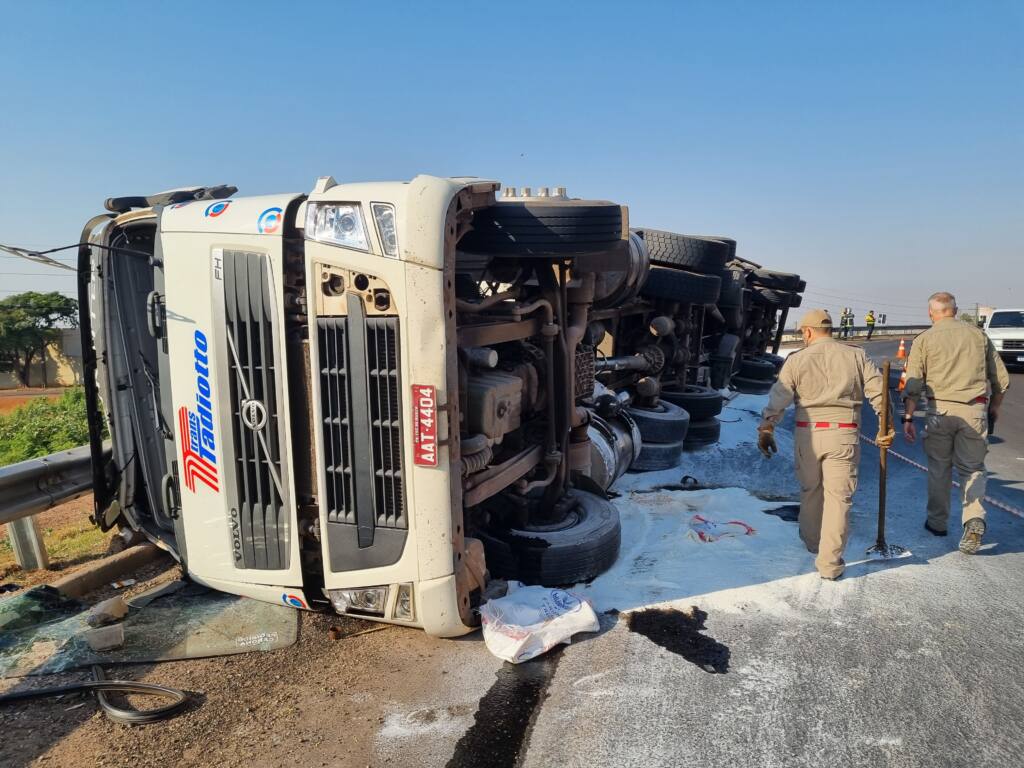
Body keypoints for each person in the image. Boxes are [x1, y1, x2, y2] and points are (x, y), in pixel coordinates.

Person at [757, 309, 893, 579]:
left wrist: (767, 427)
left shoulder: (797, 359)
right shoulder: (856, 355)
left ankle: (811, 542)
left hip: (808, 436)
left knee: (811, 490)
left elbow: (779, 396)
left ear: (807, 332)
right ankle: (830, 564)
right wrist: (886, 425)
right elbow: (879, 391)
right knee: (838, 498)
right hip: (844, 435)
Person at [902, 291, 1010, 554]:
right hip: (973, 410)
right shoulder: (978, 336)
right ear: (955, 309)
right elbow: (1002, 380)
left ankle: (937, 523)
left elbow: (914, 383)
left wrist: (908, 417)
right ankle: (974, 518)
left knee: (939, 469)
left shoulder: (924, 340)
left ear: (931, 312)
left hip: (940, 412)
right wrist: (993, 407)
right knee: (973, 468)